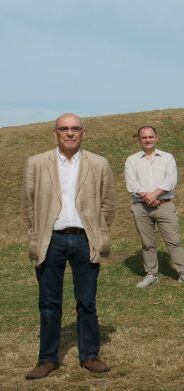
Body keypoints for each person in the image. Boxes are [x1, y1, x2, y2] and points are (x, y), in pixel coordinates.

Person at [21, 113, 116, 379]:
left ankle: (90, 355)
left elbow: (108, 204)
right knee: (49, 302)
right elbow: (28, 205)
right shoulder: (36, 163)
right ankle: (47, 359)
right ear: (55, 133)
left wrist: (97, 229)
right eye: (64, 129)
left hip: (85, 239)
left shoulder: (99, 163)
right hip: (50, 240)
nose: (70, 133)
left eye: (75, 128)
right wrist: (37, 232)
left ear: (83, 132)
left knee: (87, 301)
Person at [124, 125, 184, 288]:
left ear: (156, 138)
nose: (148, 140)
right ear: (139, 140)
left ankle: (183, 273)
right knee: (147, 243)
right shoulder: (131, 160)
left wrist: (153, 196)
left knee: (173, 240)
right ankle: (151, 274)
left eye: (150, 137)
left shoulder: (167, 157)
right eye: (144, 137)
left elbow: (170, 180)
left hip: (164, 205)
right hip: (141, 207)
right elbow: (132, 184)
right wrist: (147, 198)